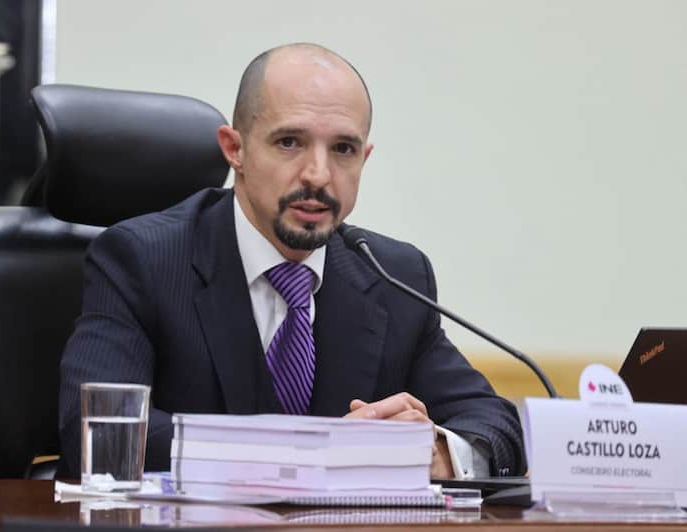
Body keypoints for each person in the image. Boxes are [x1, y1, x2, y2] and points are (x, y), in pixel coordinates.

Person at [58, 43, 526, 479]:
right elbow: (101, 430)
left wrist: (434, 452)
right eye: (289, 143)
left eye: (343, 149)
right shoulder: (142, 259)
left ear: (365, 157)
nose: (318, 175)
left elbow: (495, 424)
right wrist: (316, 452)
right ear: (235, 149)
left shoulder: (392, 275)